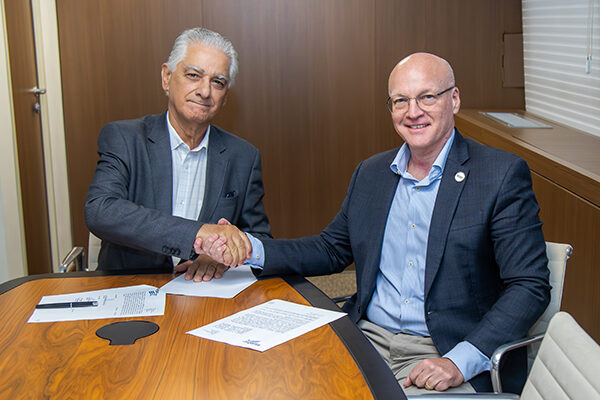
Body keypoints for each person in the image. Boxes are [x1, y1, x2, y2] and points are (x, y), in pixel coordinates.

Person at [198, 53, 550, 394]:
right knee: (278, 383)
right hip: (366, 339)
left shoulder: (499, 175)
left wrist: (460, 360)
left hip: (443, 349)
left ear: (454, 99)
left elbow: (529, 285)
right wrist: (250, 247)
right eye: (401, 101)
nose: (413, 112)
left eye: (427, 97)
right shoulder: (372, 173)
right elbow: (331, 249)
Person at [85, 27, 271, 281]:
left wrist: (222, 257)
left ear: (225, 95)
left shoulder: (243, 157)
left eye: (217, 82)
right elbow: (101, 210)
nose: (205, 91)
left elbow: (259, 239)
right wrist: (198, 234)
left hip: (206, 292)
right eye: (194, 75)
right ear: (167, 77)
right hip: (130, 287)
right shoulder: (125, 138)